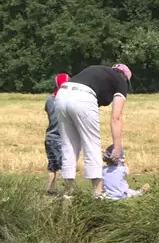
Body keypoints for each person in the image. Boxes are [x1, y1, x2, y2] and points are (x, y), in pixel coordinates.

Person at [54, 63, 131, 197]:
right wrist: (117, 147)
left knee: (69, 145)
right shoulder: (120, 81)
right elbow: (116, 117)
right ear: (125, 78)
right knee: (92, 144)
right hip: (83, 96)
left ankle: (68, 193)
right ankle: (97, 194)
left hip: (62, 94)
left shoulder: (98, 72)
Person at [44, 72, 69, 194]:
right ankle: (69, 189)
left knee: (52, 165)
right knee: (65, 165)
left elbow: (48, 112)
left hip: (50, 137)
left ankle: (50, 189)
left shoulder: (49, 99)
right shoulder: (66, 100)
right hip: (61, 137)